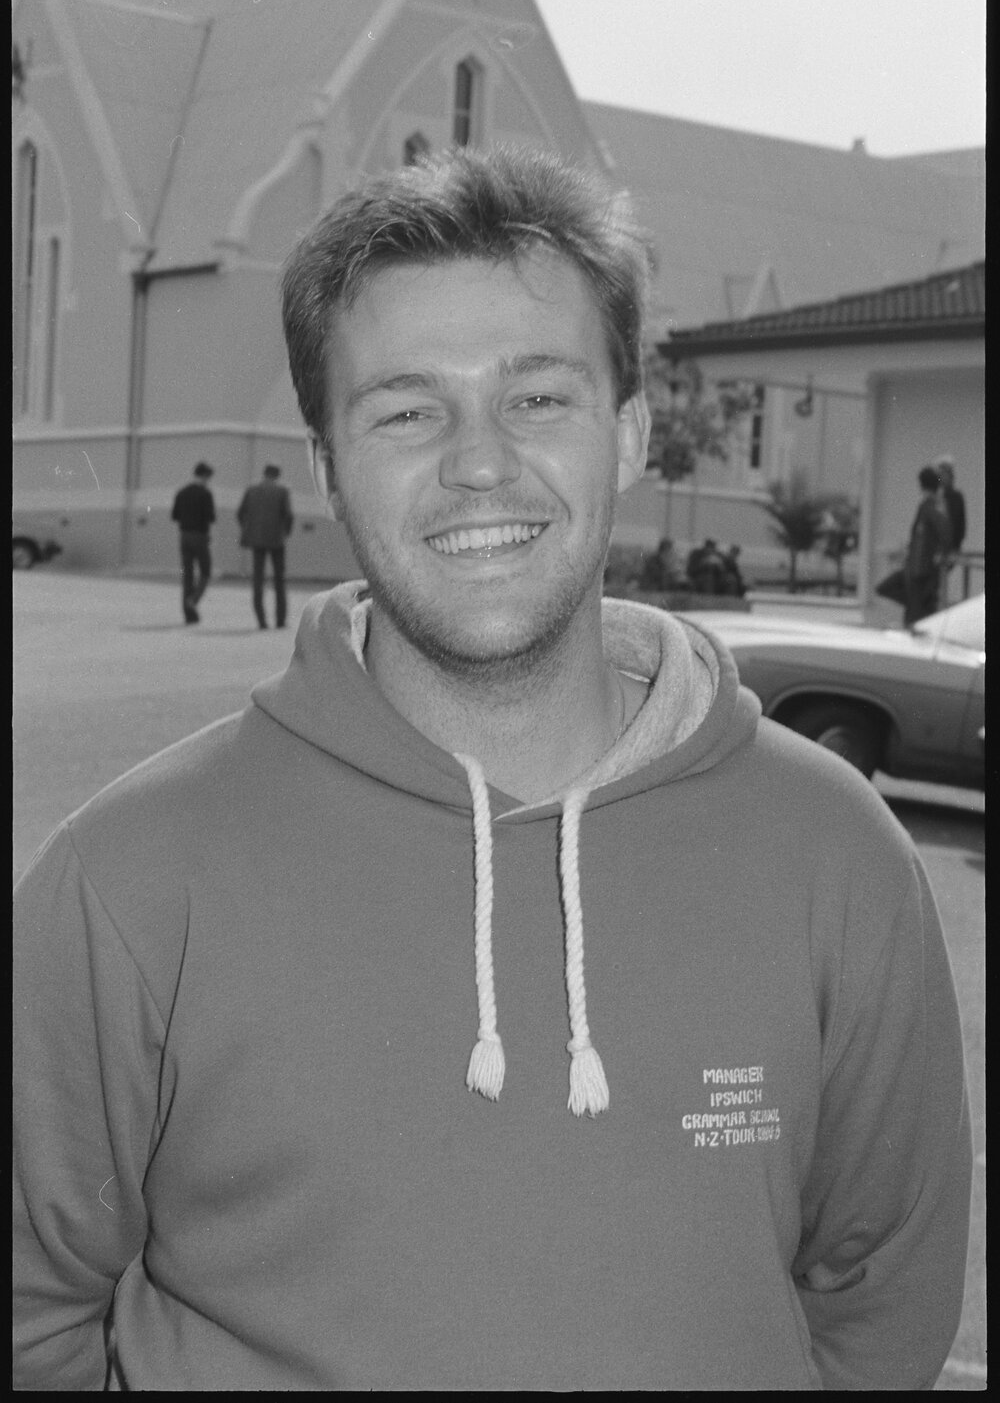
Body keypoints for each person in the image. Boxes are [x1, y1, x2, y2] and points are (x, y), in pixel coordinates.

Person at [14, 147, 971, 1391]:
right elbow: (34, 1316)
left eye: (537, 397)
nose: (478, 462)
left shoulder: (837, 850)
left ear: (627, 433)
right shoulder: (126, 880)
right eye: (407, 408)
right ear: (324, 467)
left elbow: (876, 1305)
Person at [236, 463, 294, 629]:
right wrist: (285, 533)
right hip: (276, 540)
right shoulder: (282, 491)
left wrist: (250, 529)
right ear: (277, 475)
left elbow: (240, 513)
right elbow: (288, 516)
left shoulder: (252, 490)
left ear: (264, 473)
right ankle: (280, 621)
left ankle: (261, 621)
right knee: (279, 581)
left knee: (258, 580)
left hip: (256, 540)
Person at [904, 465, 951, 626]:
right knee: (921, 610)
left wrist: (939, 554)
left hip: (922, 569)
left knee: (919, 613)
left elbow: (943, 531)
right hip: (921, 567)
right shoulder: (930, 507)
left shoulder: (929, 508)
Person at [170, 460, 216, 623]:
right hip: (200, 536)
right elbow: (211, 517)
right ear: (204, 476)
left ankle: (189, 615)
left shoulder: (182, 492)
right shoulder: (205, 494)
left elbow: (174, 515)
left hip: (184, 535)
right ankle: (193, 600)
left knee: (187, 575)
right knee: (205, 572)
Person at [935, 454, 967, 605]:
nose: (943, 478)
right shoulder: (936, 497)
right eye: (941, 475)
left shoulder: (956, 496)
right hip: (936, 550)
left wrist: (956, 547)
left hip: (951, 550)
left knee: (949, 588)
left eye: (945, 474)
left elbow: (961, 524)